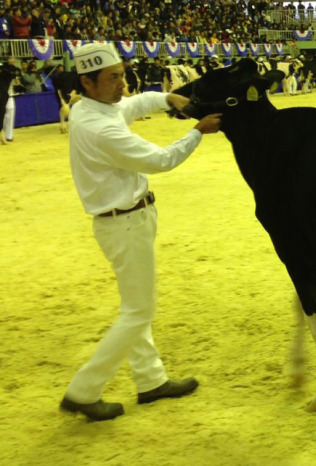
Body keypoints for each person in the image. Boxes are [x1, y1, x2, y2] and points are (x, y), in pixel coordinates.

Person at [60, 43, 222, 421]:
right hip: (124, 221)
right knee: (138, 310)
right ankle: (84, 390)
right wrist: (198, 131)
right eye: (113, 77)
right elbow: (160, 159)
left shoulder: (91, 107)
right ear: (87, 81)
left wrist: (169, 98)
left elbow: (134, 104)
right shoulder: (99, 128)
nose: (122, 83)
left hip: (126, 218)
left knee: (136, 305)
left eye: (121, 74)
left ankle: (150, 380)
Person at [1, 56, 19, 144]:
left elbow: (17, 83)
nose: (11, 61)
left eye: (13, 60)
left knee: (10, 114)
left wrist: (15, 76)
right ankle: (2, 134)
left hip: (10, 95)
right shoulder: (4, 71)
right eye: (10, 60)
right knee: (3, 115)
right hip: (2, 94)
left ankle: (9, 135)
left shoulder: (14, 72)